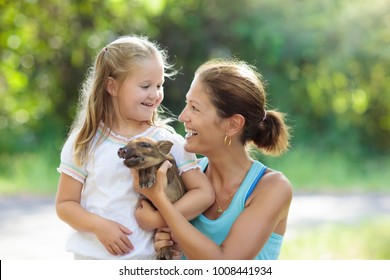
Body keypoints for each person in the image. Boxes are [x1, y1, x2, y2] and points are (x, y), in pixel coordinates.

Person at [55, 35, 214, 260]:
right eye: (145, 85)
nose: (155, 94)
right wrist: (99, 226)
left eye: (159, 85)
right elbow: (65, 204)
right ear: (113, 86)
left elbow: (203, 193)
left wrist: (159, 219)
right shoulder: (85, 142)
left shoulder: (167, 142)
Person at [133, 58, 293, 260]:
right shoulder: (188, 177)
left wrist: (160, 204)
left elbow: (226, 265)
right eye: (186, 104)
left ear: (233, 124)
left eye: (195, 108)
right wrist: (168, 252)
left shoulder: (273, 188)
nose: (182, 116)